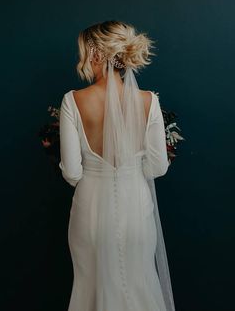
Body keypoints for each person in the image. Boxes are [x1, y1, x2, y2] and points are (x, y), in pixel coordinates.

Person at [59, 20, 176, 311]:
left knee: (89, 289)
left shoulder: (73, 101)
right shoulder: (149, 101)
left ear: (96, 53)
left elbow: (73, 172)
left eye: (84, 51)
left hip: (90, 210)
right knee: (138, 283)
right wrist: (130, 172)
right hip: (136, 208)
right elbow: (158, 168)